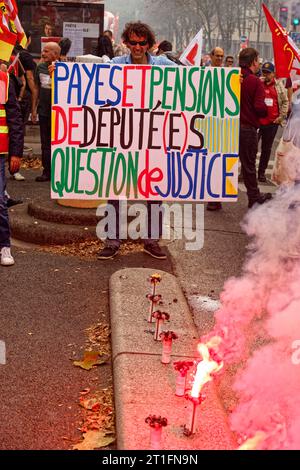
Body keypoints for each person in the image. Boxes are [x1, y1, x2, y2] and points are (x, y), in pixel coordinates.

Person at [97, 21, 175, 261]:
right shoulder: (116, 65)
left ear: (150, 44)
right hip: (123, 135)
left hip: (153, 135)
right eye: (133, 42)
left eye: (142, 43)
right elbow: (90, 78)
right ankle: (112, 240)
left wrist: (232, 83)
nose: (138, 47)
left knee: (154, 188)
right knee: (116, 186)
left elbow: (192, 79)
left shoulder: (163, 64)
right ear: (126, 42)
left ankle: (151, 240)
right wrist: (63, 75)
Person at [238, 48, 272, 208]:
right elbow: (259, 108)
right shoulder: (254, 81)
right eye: (257, 61)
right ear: (252, 62)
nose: (259, 64)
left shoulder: (233, 77)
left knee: (224, 164)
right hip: (247, 129)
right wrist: (265, 108)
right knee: (249, 165)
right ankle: (253, 197)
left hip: (230, 128)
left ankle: (214, 200)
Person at [0, 69, 23, 266]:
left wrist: (16, 152)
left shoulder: (4, 79)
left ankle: (4, 245)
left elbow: (14, 117)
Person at [33, 42, 61, 182]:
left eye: (46, 51)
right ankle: (47, 172)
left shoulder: (64, 69)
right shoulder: (40, 67)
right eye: (43, 50)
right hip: (44, 112)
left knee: (58, 143)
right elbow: (37, 88)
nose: (43, 53)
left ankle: (59, 172)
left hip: (60, 113)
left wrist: (56, 73)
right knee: (45, 143)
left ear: (55, 54)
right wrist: (34, 108)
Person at [258, 62, 288, 182]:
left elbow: (285, 102)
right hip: (257, 122)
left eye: (268, 73)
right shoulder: (258, 83)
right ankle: (245, 173)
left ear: (273, 74)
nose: (265, 75)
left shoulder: (280, 86)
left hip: (272, 123)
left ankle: (261, 173)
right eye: (264, 72)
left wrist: (281, 117)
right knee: (251, 148)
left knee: (266, 149)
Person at [207, 46, 225, 211]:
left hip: (221, 125)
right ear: (211, 56)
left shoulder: (228, 75)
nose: (220, 59)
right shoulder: (202, 73)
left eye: (222, 56)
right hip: (204, 123)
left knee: (219, 162)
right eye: (217, 56)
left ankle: (216, 197)